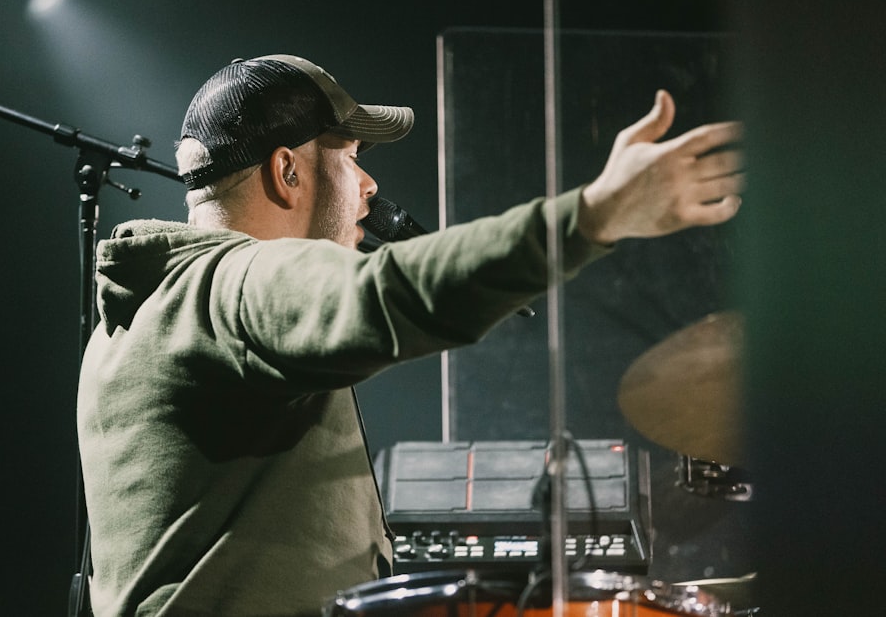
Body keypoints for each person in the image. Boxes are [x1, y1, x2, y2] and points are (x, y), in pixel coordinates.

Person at [76, 53, 743, 617]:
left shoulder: (142, 317)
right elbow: (384, 292)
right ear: (287, 171)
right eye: (351, 156)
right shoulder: (236, 285)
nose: (369, 186)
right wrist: (596, 214)